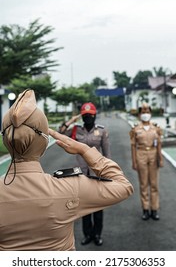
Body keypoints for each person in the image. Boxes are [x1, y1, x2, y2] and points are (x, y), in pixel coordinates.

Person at [0, 89, 134, 251]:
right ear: (43, 144)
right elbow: (124, 186)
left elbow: (107, 150)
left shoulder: (101, 130)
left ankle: (96, 234)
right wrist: (85, 150)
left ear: (6, 141)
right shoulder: (69, 187)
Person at [59, 102, 111, 246]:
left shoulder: (101, 131)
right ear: (82, 116)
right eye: (86, 115)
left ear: (95, 115)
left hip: (97, 173)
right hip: (81, 174)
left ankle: (97, 234)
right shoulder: (76, 130)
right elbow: (61, 133)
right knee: (84, 206)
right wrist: (71, 121)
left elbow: (107, 154)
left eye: (91, 115)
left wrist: (107, 173)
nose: (88, 117)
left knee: (98, 206)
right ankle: (87, 234)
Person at [129, 103, 164, 221]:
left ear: (150, 113)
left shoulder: (156, 128)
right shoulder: (135, 129)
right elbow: (133, 146)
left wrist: (160, 158)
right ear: (139, 115)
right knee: (143, 184)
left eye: (147, 112)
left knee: (154, 184)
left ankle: (154, 209)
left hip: (153, 154)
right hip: (141, 155)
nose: (145, 114)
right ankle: (145, 209)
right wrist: (134, 161)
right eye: (143, 112)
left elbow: (159, 144)